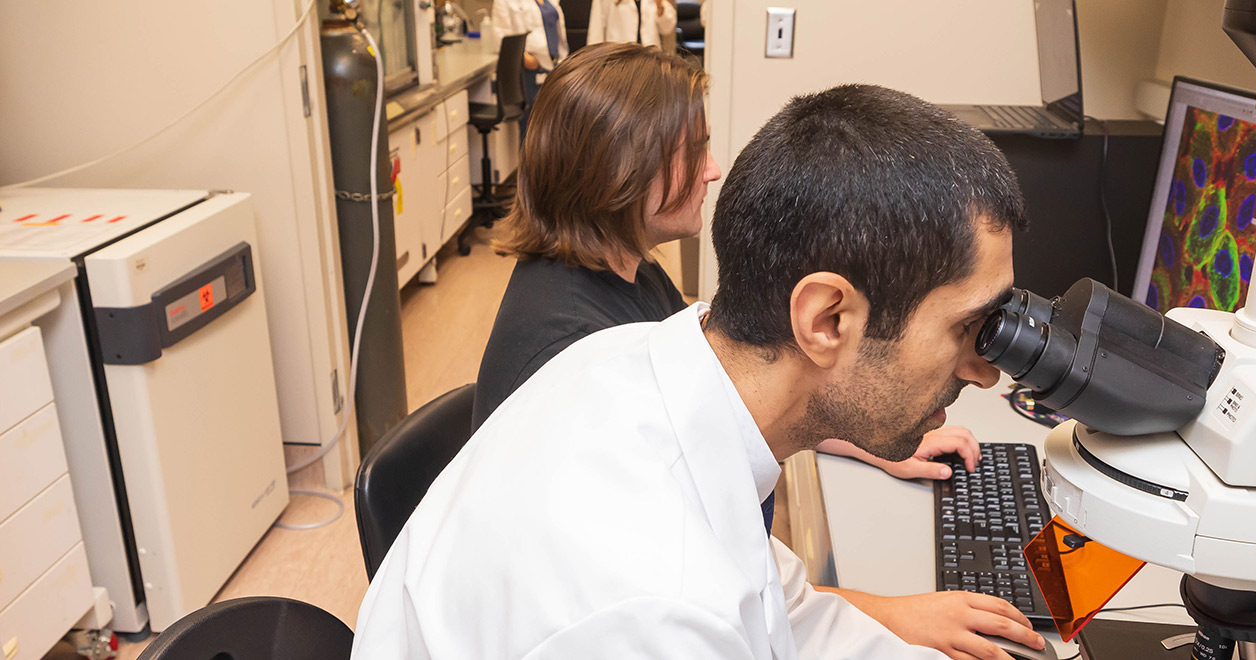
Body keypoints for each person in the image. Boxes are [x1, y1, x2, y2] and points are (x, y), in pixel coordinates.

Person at [352, 84, 1044, 660]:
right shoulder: (653, 608)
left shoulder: (645, 367)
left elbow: (783, 615)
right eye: (964, 328)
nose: (985, 373)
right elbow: (707, 613)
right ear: (827, 319)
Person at [475, 43, 984, 483]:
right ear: (615, 170)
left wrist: (869, 439)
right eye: (693, 152)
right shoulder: (572, 352)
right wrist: (864, 602)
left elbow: (726, 401)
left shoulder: (630, 272)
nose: (713, 171)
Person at [490, 0, 568, 138]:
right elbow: (500, 36)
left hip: (554, 68)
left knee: (554, 128)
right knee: (531, 129)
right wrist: (524, 57)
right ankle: (527, 160)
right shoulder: (503, 2)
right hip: (530, 71)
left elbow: (556, 30)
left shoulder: (549, 2)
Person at [587, 0, 677, 53]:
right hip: (619, 55)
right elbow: (596, 29)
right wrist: (593, 60)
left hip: (649, 56)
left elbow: (666, 29)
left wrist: (660, 6)